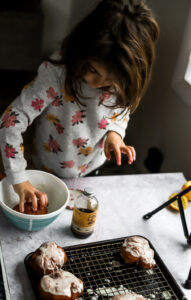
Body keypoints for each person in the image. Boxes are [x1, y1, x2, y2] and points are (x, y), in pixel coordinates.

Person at [0, 0, 159, 213]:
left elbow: (120, 111)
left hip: (91, 169)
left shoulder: (125, 78)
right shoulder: (56, 74)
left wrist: (115, 133)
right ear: (82, 48)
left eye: (109, 82)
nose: (97, 83)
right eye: (92, 70)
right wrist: (19, 179)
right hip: (47, 169)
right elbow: (11, 120)